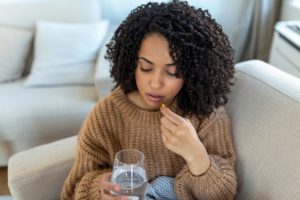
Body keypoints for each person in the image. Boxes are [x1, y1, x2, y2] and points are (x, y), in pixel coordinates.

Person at [61, 1, 237, 199]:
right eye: (146, 68)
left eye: (173, 72)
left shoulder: (205, 113)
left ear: (192, 73)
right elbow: (74, 188)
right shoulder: (105, 116)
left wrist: (196, 154)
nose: (155, 83)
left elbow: (224, 194)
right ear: (131, 63)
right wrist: (99, 191)